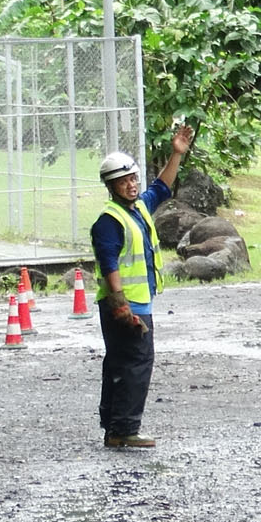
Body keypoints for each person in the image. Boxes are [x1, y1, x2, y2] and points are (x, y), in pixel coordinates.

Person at [90, 120, 193, 450]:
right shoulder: (108, 221)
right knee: (136, 365)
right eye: (124, 181)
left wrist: (176, 154)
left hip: (137, 302)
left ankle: (114, 425)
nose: (132, 185)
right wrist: (121, 307)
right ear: (112, 186)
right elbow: (109, 265)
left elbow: (161, 188)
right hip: (127, 306)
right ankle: (124, 429)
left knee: (120, 363)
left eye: (133, 178)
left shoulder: (137, 210)